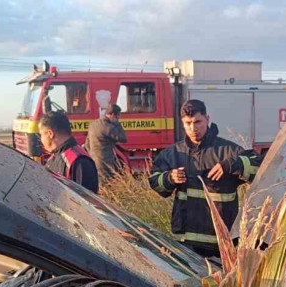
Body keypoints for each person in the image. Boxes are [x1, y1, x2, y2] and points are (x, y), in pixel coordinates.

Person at [148, 99, 262, 258]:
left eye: (197, 122)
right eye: (188, 123)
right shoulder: (173, 153)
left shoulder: (228, 151)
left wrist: (232, 165)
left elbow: (260, 170)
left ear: (207, 119)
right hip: (186, 241)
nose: (193, 128)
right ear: (182, 122)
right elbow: (155, 182)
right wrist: (169, 178)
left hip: (220, 241)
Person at [39, 111, 99, 193]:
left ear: (50, 133)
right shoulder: (53, 158)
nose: (41, 139)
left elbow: (84, 202)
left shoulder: (79, 162)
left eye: (41, 134)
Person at [85, 104, 127, 178]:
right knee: (107, 184)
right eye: (118, 116)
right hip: (105, 162)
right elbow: (123, 138)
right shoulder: (108, 127)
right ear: (113, 115)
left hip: (94, 161)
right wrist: (117, 123)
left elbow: (87, 145)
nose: (118, 118)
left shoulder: (93, 124)